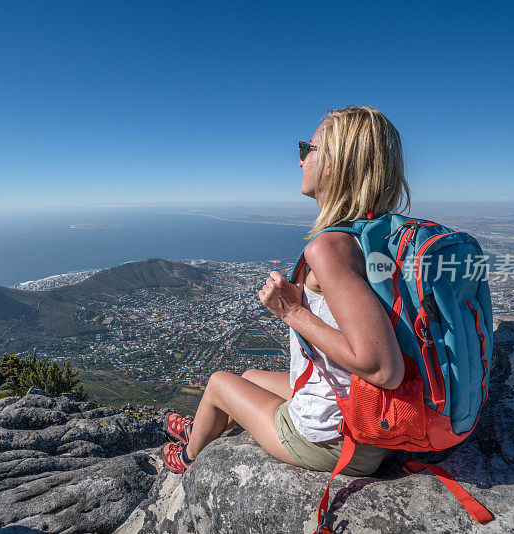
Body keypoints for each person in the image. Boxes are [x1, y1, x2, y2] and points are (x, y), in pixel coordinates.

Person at [162, 105, 411, 476]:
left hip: (336, 438)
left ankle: (187, 459)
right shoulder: (383, 235)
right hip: (374, 412)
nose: (300, 161)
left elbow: (382, 367)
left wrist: (291, 312)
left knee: (217, 384)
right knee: (247, 378)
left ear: (335, 163)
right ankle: (202, 426)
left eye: (307, 150)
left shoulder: (330, 249)